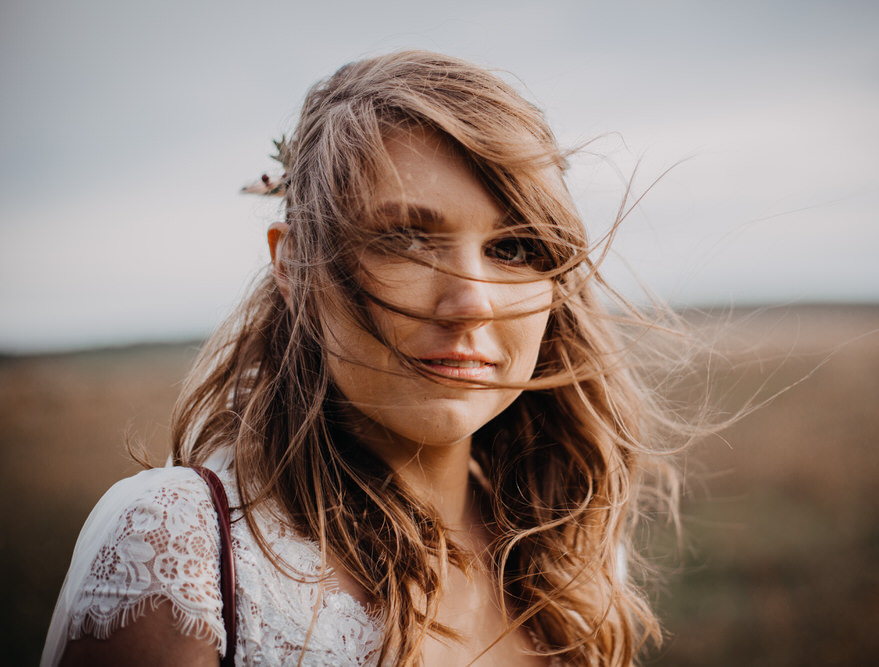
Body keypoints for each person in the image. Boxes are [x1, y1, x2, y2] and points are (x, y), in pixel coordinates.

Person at [42, 50, 687, 666]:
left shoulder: (564, 546)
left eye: (514, 249)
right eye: (407, 240)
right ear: (292, 263)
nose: (472, 304)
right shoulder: (181, 552)